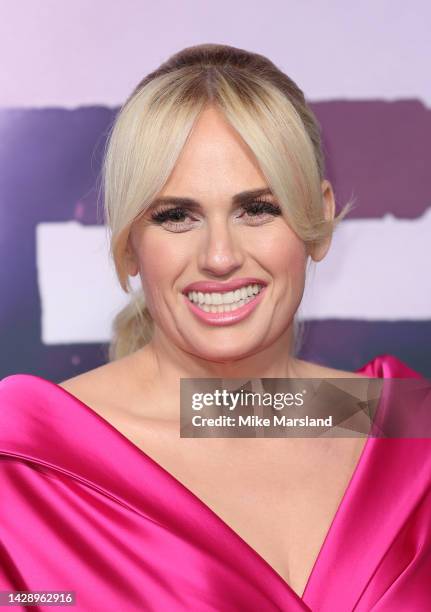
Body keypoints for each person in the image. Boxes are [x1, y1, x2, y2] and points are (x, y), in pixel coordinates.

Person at [0, 43, 430, 611]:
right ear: (129, 242)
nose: (221, 257)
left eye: (257, 208)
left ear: (319, 222)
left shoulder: (408, 432)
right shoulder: (24, 463)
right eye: (176, 216)